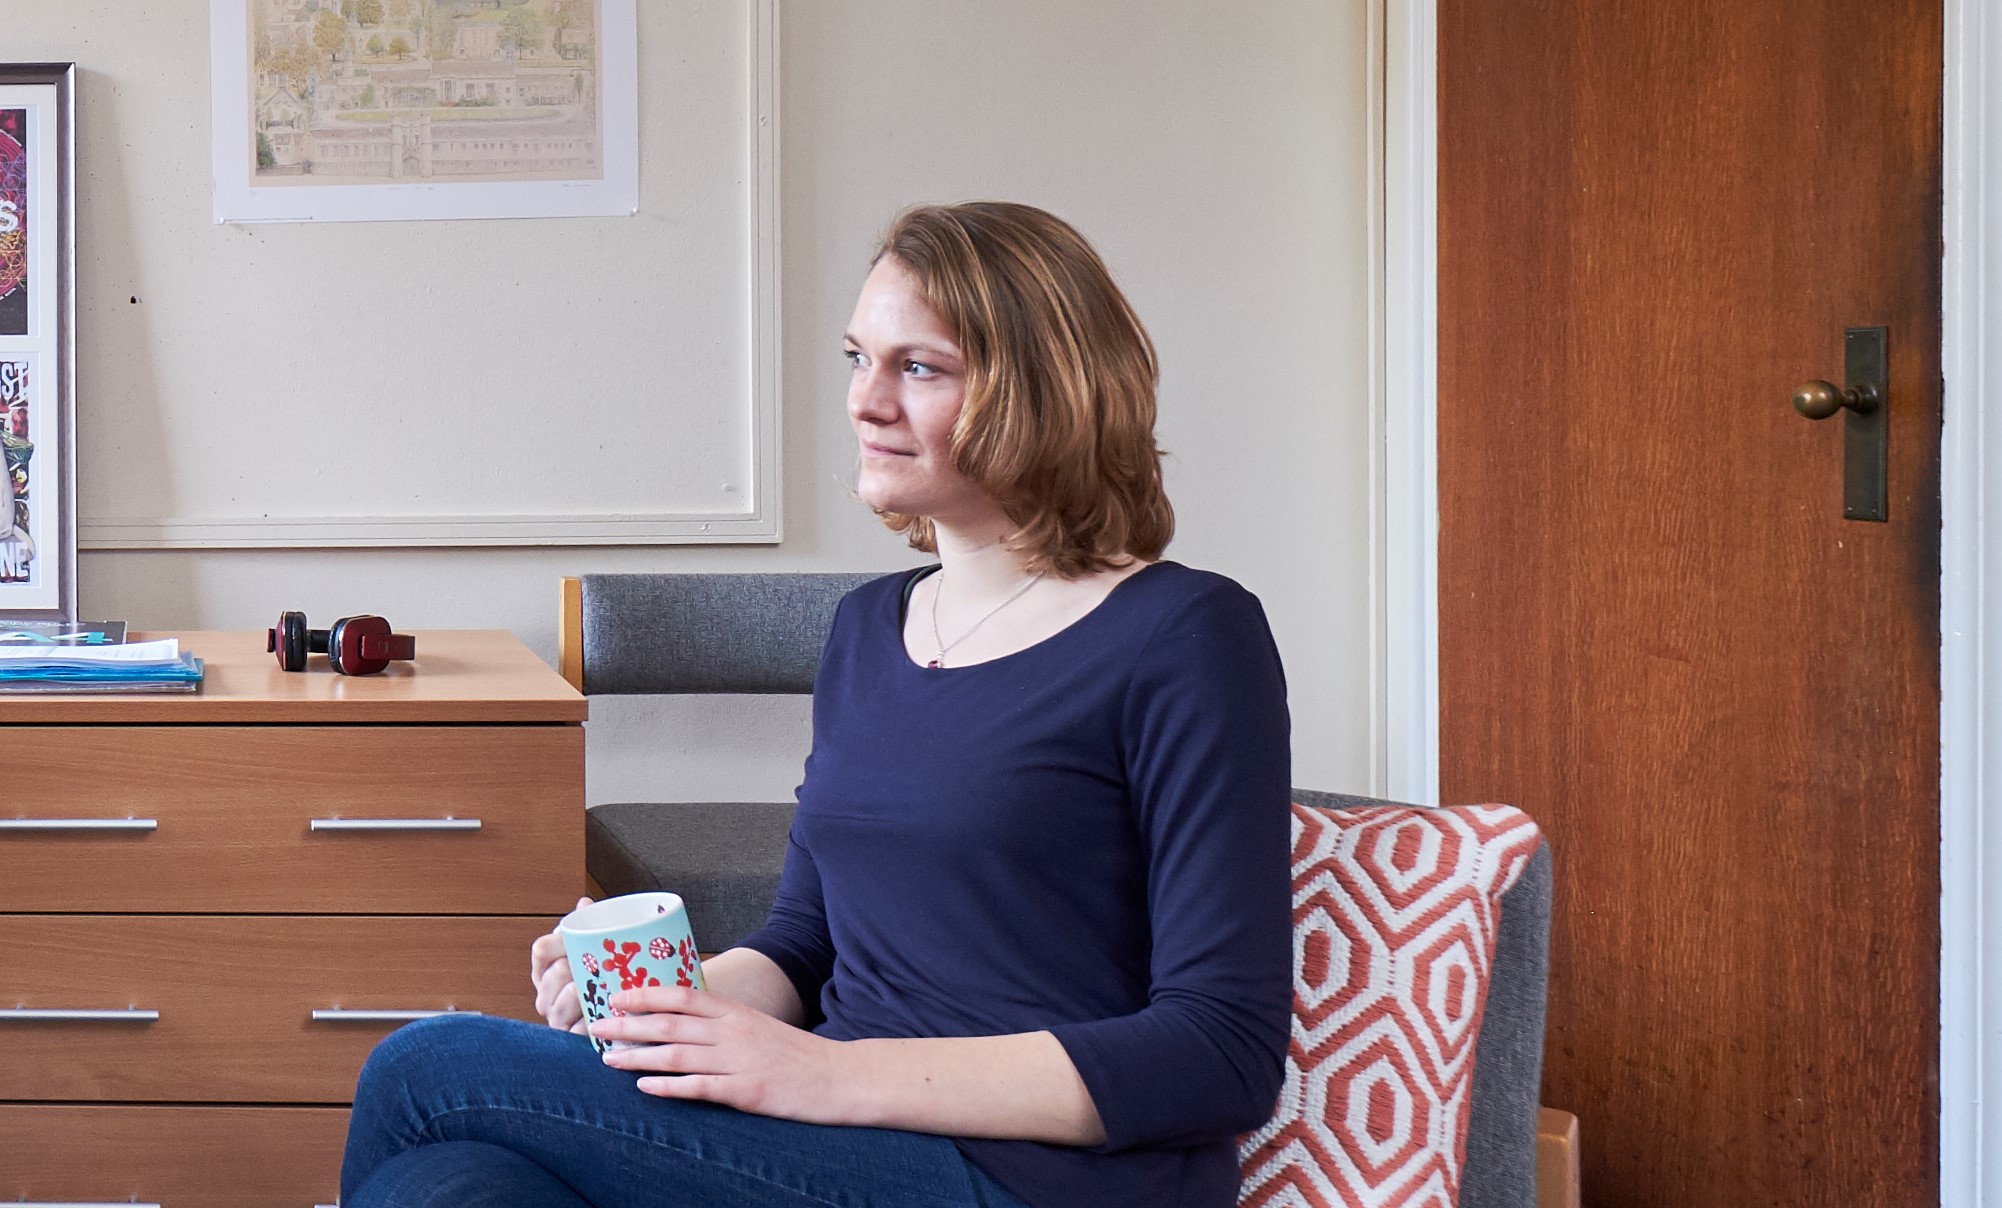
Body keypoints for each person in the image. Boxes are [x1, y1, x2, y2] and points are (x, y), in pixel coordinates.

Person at [338, 202, 1296, 1208]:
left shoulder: (1185, 634)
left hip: (1030, 1177)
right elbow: (803, 943)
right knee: (448, 1183)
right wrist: (673, 1002)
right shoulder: (866, 629)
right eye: (856, 357)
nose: (863, 400)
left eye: (917, 368)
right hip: (832, 1148)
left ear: (1045, 393)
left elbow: (1219, 1050)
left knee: (425, 1067)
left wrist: (816, 1073)